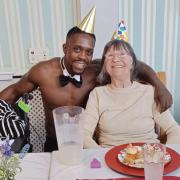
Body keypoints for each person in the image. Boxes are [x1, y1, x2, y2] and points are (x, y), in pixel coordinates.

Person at [0, 23, 173, 151]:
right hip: (54, 144)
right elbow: (12, 93)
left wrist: (159, 85)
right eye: (77, 49)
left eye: (89, 51)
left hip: (86, 147)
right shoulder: (43, 71)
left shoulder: (96, 69)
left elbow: (136, 65)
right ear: (65, 48)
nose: (83, 57)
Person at [83, 39, 180, 149]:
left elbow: (174, 129)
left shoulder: (149, 92)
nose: (115, 59)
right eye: (110, 55)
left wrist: (166, 153)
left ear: (132, 63)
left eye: (122, 54)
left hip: (149, 157)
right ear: (105, 65)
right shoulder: (97, 94)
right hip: (110, 157)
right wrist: (100, 156)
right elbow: (84, 134)